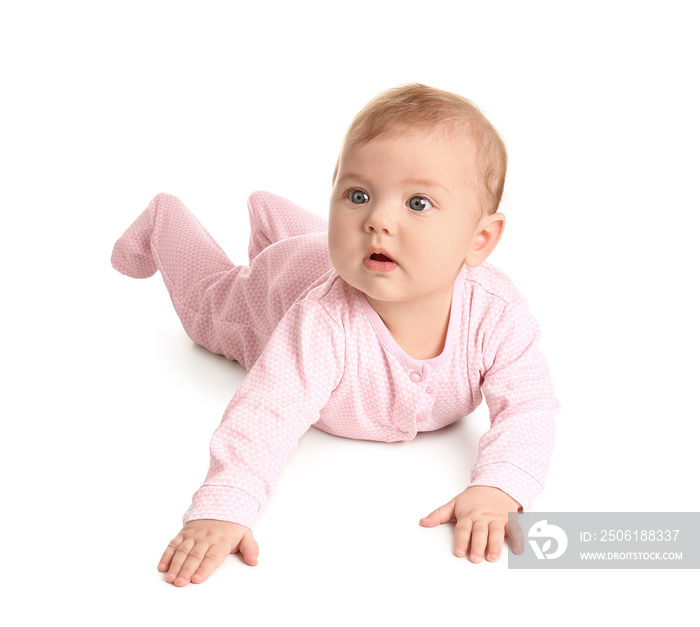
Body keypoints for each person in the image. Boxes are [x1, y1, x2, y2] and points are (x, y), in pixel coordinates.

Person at [111, 83, 559, 587]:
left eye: (417, 202)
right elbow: (267, 411)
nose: (378, 219)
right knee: (207, 307)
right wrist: (226, 504)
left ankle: (268, 212)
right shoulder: (322, 323)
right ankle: (164, 220)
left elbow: (530, 404)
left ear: (480, 239)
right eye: (358, 195)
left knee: (315, 246)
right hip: (271, 292)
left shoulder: (495, 313)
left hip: (313, 254)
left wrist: (500, 486)